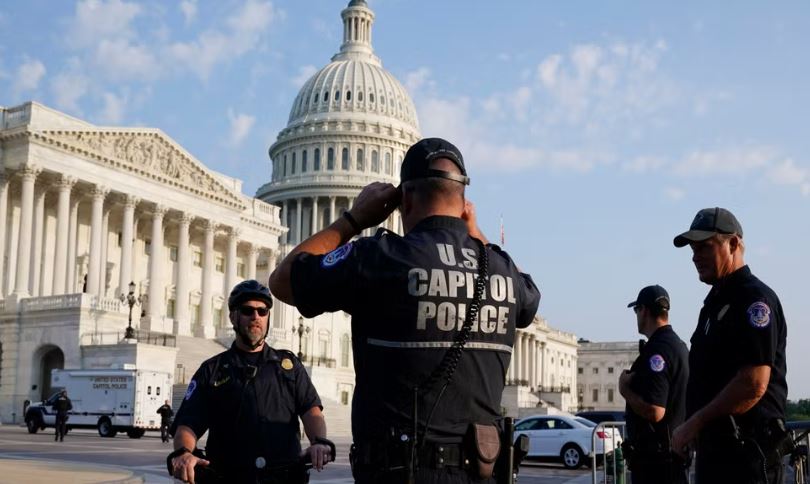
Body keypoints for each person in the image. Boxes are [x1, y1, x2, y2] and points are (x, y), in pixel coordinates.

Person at [269, 137, 541, 483]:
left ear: (404, 199)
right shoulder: (502, 271)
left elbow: (282, 281)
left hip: (399, 471)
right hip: (482, 469)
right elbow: (530, 301)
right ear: (463, 202)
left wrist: (353, 220)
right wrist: (474, 233)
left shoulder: (380, 258)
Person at [167, 280, 333, 484]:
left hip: (283, 477)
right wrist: (184, 452)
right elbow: (187, 424)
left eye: (262, 311)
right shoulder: (212, 370)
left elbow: (312, 411)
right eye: (247, 310)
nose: (256, 317)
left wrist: (319, 442)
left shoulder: (288, 366)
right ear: (233, 316)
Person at [670, 208, 790, 484]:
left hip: (746, 460)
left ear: (734, 243)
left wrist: (693, 424)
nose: (694, 256)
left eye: (704, 247)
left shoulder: (753, 299)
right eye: (692, 248)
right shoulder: (715, 303)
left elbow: (753, 384)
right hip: (718, 456)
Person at [619, 285, 689, 484]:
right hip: (672, 457)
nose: (636, 316)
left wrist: (625, 390)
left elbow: (655, 410)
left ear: (644, 311)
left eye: (636, 310)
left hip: (656, 464)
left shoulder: (657, 351)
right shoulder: (678, 346)